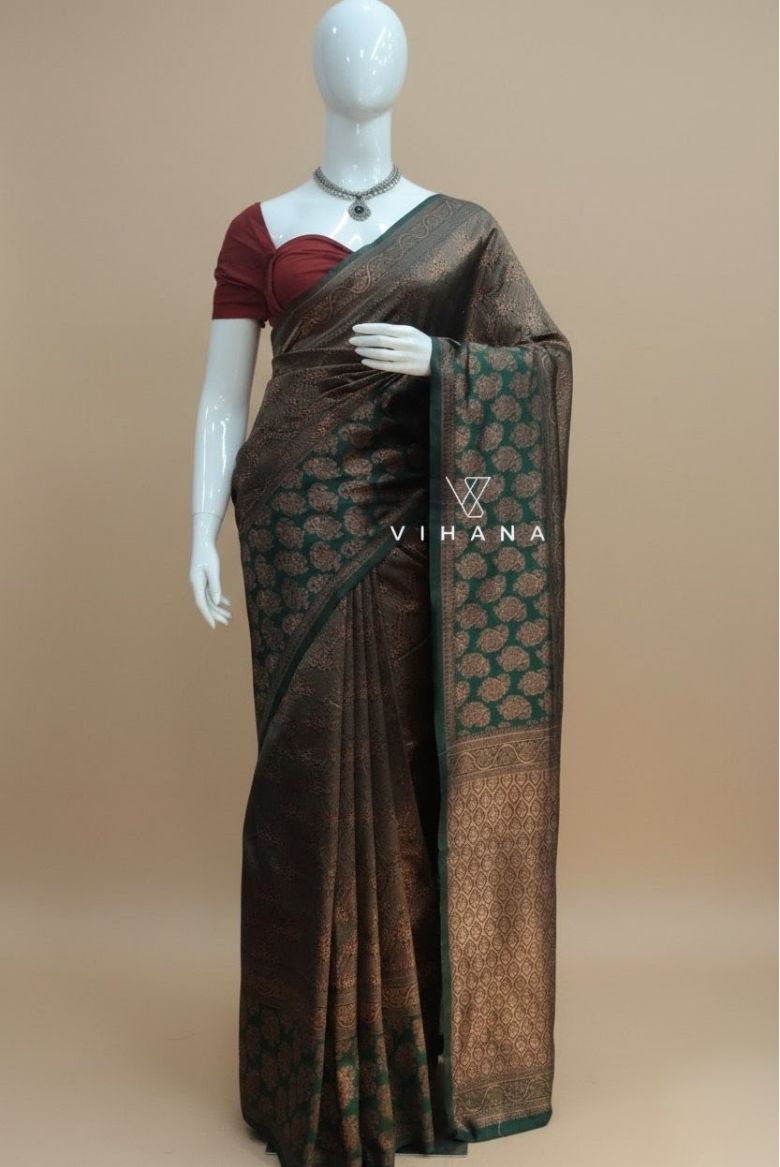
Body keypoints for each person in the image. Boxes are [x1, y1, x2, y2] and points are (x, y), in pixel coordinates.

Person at [190, 5, 573, 1165]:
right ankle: (307, 1073)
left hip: (409, 533)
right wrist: (198, 526)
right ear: (319, 68)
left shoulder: (461, 231)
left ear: (401, 69)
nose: (362, 58)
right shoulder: (260, 228)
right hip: (292, 528)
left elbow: (542, 363)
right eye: (344, 42)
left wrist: (444, 361)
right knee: (302, 782)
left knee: (406, 773)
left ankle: (405, 1071)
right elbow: (222, 398)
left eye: (381, 42)